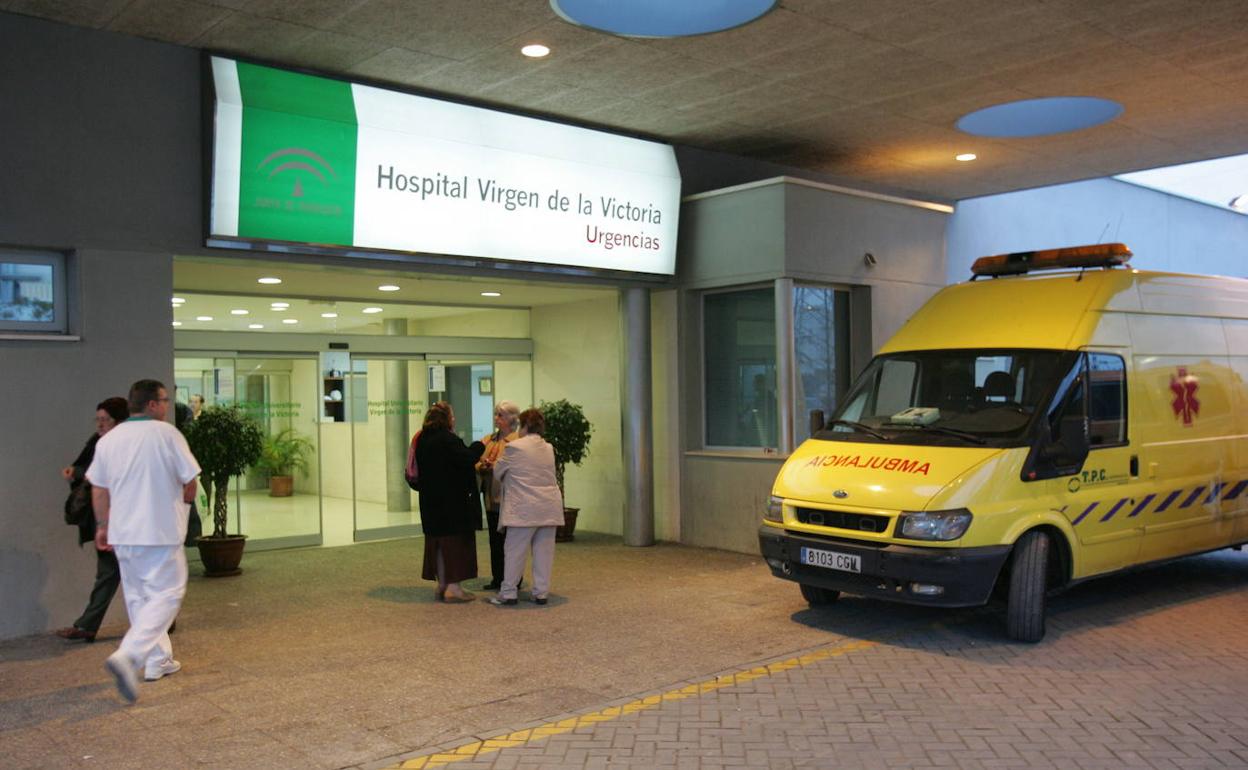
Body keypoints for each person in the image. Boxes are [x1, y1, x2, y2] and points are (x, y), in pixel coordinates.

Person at [87, 379, 200, 704]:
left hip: (124, 532)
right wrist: (183, 510)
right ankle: (130, 655)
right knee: (168, 593)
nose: (167, 406)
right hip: (160, 529)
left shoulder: (109, 440)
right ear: (152, 404)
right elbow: (190, 481)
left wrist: (102, 525)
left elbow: (99, 488)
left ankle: (157, 660)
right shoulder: (167, 434)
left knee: (139, 598)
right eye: (165, 400)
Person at [55, 397, 130, 643]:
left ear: (118, 421)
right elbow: (91, 472)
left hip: (124, 518)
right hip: (108, 518)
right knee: (111, 572)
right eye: (97, 419)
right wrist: (76, 472)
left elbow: (104, 478)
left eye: (105, 419)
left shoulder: (123, 446)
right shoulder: (99, 443)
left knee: (122, 573)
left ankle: (88, 625)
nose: (100, 424)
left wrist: (79, 472)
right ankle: (88, 625)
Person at [490, 408, 564, 606]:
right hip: (548, 508)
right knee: (544, 553)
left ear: (523, 426)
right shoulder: (549, 448)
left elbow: (498, 471)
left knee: (514, 552)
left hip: (523, 509)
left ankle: (508, 593)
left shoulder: (514, 447)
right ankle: (541, 593)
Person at [414, 401, 484, 603]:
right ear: (446, 419)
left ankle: (442, 584)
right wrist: (480, 445)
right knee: (454, 545)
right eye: (452, 415)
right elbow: (467, 458)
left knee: (438, 544)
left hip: (430, 502)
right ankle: (453, 588)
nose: (454, 419)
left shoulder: (422, 439)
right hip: (452, 505)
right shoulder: (448, 440)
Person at [475, 401, 520, 591]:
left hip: (509, 498)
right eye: (495, 414)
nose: (496, 418)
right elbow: (476, 460)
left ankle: (513, 579)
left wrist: (496, 466)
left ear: (511, 419)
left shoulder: (517, 441)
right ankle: (497, 578)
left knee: (511, 542)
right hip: (490, 497)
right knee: (494, 540)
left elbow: (516, 466)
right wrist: (482, 465)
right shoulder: (488, 439)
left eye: (500, 415)